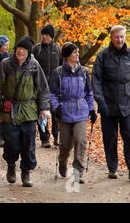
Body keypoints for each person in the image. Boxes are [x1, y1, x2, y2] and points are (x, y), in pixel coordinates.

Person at [0, 36, 51, 187]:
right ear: (15, 50)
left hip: (29, 109)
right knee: (11, 142)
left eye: (24, 50)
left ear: (28, 52)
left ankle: (26, 172)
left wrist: (44, 108)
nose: (21, 52)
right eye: (19, 49)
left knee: (28, 143)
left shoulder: (34, 65)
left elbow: (43, 88)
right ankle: (11, 165)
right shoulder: (5, 64)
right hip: (10, 109)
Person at [92, 25, 130, 180]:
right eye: (117, 37)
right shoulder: (103, 55)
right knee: (109, 137)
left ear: (125, 37)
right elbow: (95, 79)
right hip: (108, 104)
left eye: (122, 37)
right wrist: (100, 100)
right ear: (111, 37)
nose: (119, 39)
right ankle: (112, 168)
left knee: (129, 134)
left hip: (127, 102)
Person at [50, 42, 96, 184]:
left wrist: (92, 109)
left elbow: (89, 93)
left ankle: (78, 172)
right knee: (65, 145)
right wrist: (56, 107)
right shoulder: (58, 72)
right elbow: (52, 94)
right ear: (67, 55)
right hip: (64, 111)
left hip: (80, 110)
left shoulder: (83, 72)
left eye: (77, 52)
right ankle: (62, 162)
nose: (77, 54)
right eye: (74, 52)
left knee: (80, 140)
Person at [32, 24, 62, 148]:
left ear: (51, 36)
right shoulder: (36, 49)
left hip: (55, 86)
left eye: (47, 35)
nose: (44, 37)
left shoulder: (58, 49)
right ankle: (45, 138)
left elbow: (62, 66)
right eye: (43, 34)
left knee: (56, 112)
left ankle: (57, 137)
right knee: (42, 112)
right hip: (40, 86)